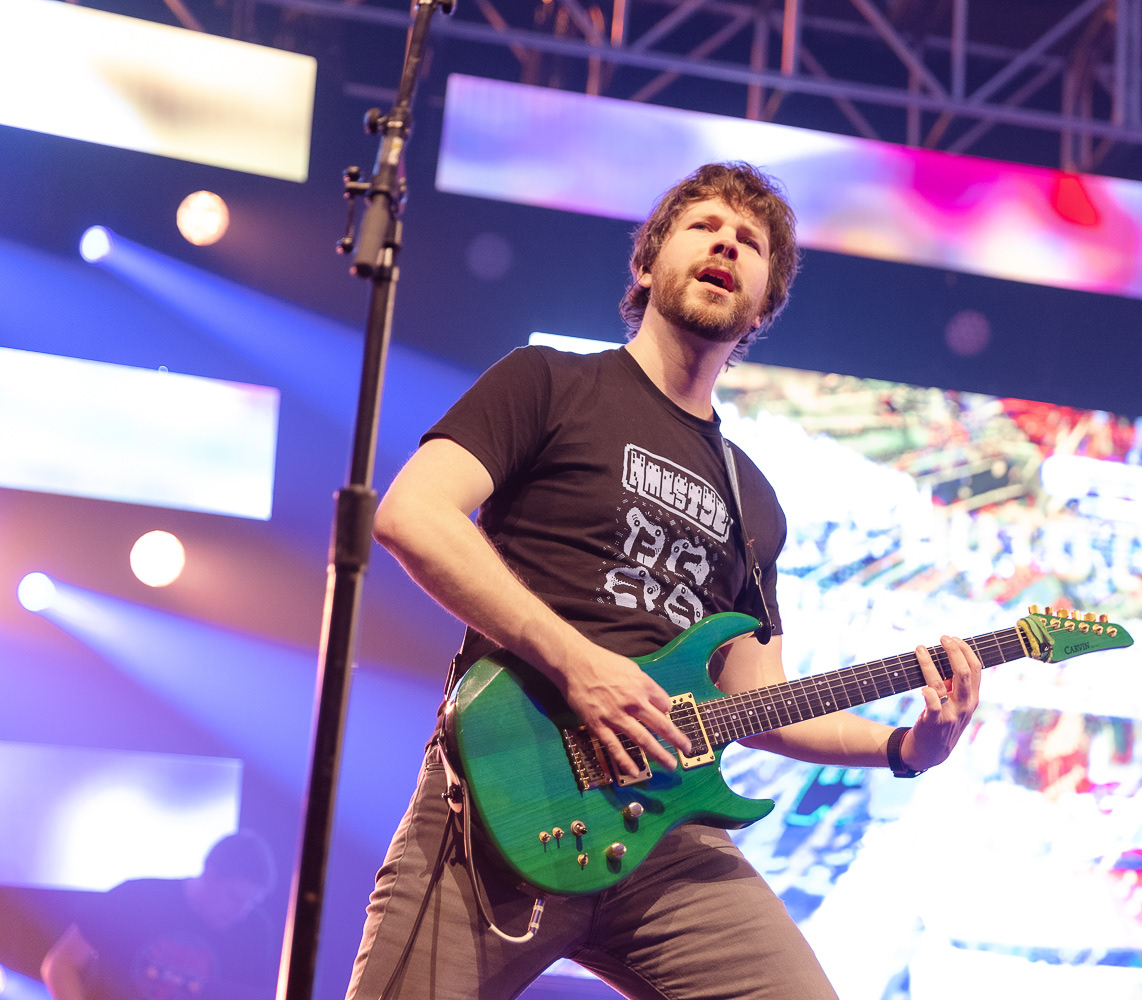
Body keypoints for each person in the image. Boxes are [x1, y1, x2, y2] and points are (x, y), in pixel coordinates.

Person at [346, 162, 983, 1000]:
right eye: (703, 226)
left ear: (761, 307)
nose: (727, 244)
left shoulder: (754, 499)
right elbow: (413, 515)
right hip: (511, 793)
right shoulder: (548, 382)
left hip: (669, 832)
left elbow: (760, 703)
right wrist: (579, 664)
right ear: (646, 263)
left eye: (750, 242)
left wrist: (905, 747)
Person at [42, 831, 278, 1000]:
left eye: (251, 903)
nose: (241, 913)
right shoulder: (135, 898)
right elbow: (61, 963)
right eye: (235, 897)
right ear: (210, 874)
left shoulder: (254, 932)